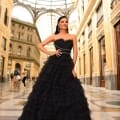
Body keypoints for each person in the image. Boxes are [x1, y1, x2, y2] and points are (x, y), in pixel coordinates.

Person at [18, 16, 91, 120]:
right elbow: (39, 45)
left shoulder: (73, 36)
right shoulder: (54, 36)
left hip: (67, 65)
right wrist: (51, 52)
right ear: (58, 24)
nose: (65, 23)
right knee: (48, 91)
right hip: (53, 65)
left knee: (71, 92)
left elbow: (75, 53)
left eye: (66, 22)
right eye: (62, 22)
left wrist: (72, 68)